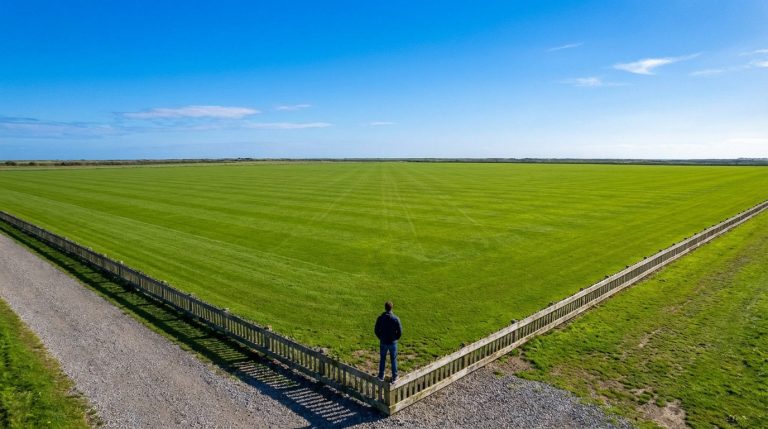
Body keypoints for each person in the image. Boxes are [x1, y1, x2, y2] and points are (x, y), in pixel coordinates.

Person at [374, 301, 402, 382]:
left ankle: (381, 375)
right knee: (393, 359)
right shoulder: (396, 319)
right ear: (391, 308)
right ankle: (395, 376)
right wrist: (395, 339)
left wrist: (381, 337)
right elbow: (400, 332)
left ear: (385, 308)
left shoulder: (380, 318)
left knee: (382, 358)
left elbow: (376, 330)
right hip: (393, 342)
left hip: (383, 342)